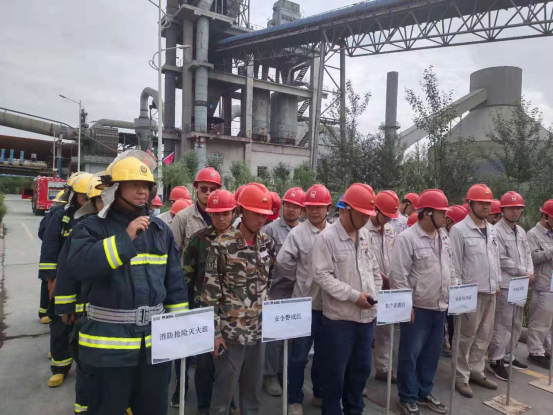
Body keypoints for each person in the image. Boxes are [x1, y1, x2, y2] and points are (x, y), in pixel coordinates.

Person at [66, 154, 188, 415]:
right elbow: (80, 266)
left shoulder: (160, 230)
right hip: (107, 348)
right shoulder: (91, 227)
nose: (142, 191)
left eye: (146, 186)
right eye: (134, 184)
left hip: (154, 347)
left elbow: (175, 284)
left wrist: (179, 330)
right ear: (114, 189)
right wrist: (126, 238)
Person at [202, 183, 276, 415]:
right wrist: (215, 334)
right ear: (241, 211)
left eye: (264, 214)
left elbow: (268, 282)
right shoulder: (221, 245)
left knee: (252, 393)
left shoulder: (267, 243)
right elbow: (210, 294)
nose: (261, 219)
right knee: (223, 393)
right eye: (256, 213)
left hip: (259, 331)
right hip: (230, 334)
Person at [312, 183, 382, 415]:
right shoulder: (327, 238)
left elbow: (374, 270)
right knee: (334, 376)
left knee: (360, 373)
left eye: (368, 215)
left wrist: (375, 295)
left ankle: (354, 411)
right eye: (362, 214)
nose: (366, 219)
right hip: (339, 322)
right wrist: (354, 296)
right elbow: (322, 276)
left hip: (366, 320)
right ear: (347, 210)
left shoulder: (365, 236)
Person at [389, 189, 456, 415]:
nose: (445, 216)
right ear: (427, 213)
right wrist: (405, 304)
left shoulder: (443, 236)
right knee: (410, 354)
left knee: (431, 354)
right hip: (417, 308)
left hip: (439, 306)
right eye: (441, 212)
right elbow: (398, 274)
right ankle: (407, 397)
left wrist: (454, 293)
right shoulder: (407, 238)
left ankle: (423, 392)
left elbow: (450, 267)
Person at [176, 190, 238, 412]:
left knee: (230, 363)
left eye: (226, 213)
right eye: (216, 214)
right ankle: (204, 406)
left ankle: (229, 402)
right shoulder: (198, 240)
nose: (221, 218)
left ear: (233, 213)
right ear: (209, 214)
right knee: (204, 363)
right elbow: (187, 276)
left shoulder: (242, 240)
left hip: (233, 312)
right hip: (203, 310)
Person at [277, 184, 331, 415]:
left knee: (324, 355)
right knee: (298, 356)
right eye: (310, 207)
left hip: (329, 307)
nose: (314, 211)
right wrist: (300, 278)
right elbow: (283, 262)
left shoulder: (335, 232)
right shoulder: (298, 233)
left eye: (319, 207)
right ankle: (294, 400)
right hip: (304, 305)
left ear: (328, 208)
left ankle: (319, 393)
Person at [54, 173, 105, 414]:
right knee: (86, 363)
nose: (104, 204)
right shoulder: (82, 229)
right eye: (99, 200)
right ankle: (83, 407)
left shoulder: (122, 228)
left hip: (108, 312)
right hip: (84, 310)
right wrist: (66, 306)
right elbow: (66, 270)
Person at [39, 172, 92, 388]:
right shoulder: (61, 217)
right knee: (60, 323)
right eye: (82, 197)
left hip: (87, 283)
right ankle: (60, 367)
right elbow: (50, 249)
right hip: (63, 280)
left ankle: (83, 365)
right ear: (73, 196)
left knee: (84, 325)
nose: (86, 202)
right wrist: (51, 281)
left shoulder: (99, 219)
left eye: (90, 198)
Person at [450, 184, 501, 398]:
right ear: (469, 203)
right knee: (465, 336)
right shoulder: (459, 230)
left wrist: (497, 283)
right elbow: (454, 265)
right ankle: (460, 376)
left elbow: (495, 259)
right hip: (470, 293)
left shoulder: (492, 230)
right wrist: (459, 294)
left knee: (484, 335)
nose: (486, 207)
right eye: (481, 203)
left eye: (488, 203)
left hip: (490, 291)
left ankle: (476, 371)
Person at [262, 187, 305, 398]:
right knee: (274, 336)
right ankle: (269, 374)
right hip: (276, 289)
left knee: (292, 335)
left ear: (302, 210)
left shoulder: (305, 231)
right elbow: (263, 261)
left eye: (296, 206)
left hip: (298, 290)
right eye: (288, 204)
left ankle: (283, 372)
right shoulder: (270, 230)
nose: (291, 209)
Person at [488, 191, 533, 381]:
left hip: (520, 284)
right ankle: (496, 358)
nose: (515, 212)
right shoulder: (496, 231)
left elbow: (527, 253)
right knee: (502, 323)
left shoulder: (520, 231)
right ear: (503, 210)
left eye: (518, 208)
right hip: (506, 284)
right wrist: (523, 271)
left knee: (516, 323)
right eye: (511, 208)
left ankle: (508, 354)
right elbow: (501, 259)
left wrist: (529, 271)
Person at [365, 190, 399, 384]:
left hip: (388, 288)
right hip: (368, 287)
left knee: (385, 331)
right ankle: (358, 378)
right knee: (365, 333)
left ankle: (383, 369)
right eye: (386, 215)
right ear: (376, 210)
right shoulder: (364, 230)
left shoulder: (389, 230)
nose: (388, 219)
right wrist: (381, 277)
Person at [171, 167, 222, 258]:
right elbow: (172, 251)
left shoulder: (224, 218)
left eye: (212, 189)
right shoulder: (183, 217)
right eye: (204, 189)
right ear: (196, 188)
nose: (208, 193)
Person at [526, 199, 553, 369]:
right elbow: (533, 257)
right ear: (545, 216)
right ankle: (535, 352)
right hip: (543, 284)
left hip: (552, 283)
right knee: (539, 321)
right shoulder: (533, 235)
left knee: (549, 321)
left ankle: (546, 350)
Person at [37, 188, 70, 324]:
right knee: (49, 285)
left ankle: (45, 312)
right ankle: (45, 312)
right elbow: (44, 233)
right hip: (54, 258)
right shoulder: (57, 215)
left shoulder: (55, 213)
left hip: (58, 257)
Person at [442, 205, 469, 357]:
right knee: (447, 319)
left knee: (453, 320)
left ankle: (453, 347)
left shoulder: (453, 234)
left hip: (455, 283)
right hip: (445, 286)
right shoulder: (444, 236)